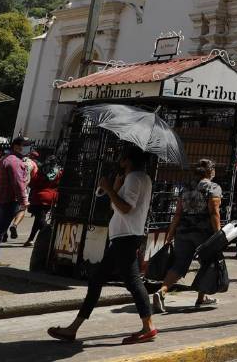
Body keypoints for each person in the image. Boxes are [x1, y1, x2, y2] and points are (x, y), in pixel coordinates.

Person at [47, 145, 156, 344]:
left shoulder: (134, 178)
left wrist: (108, 189)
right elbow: (116, 206)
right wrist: (114, 188)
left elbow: (125, 208)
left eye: (121, 157)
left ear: (128, 160)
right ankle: (73, 329)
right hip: (124, 236)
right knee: (99, 280)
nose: (118, 160)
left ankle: (148, 327)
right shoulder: (140, 178)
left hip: (125, 237)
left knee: (130, 281)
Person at [148, 158, 223, 313]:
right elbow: (214, 212)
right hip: (203, 233)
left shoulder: (187, 188)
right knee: (207, 263)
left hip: (183, 231)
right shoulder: (213, 187)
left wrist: (171, 232)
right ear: (210, 171)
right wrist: (218, 234)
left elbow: (178, 213)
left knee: (179, 264)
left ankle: (161, 291)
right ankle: (201, 297)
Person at [0, 136, 29, 264]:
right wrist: (24, 200)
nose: (27, 148)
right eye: (25, 145)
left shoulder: (6, 159)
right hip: (8, 199)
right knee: (0, 229)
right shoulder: (15, 162)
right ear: (17, 147)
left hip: (0, 198)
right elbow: (18, 183)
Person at [24, 153, 61, 247]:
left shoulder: (40, 172)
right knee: (38, 219)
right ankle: (31, 239)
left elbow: (31, 184)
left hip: (38, 197)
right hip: (50, 198)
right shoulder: (58, 173)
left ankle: (49, 236)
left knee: (40, 220)